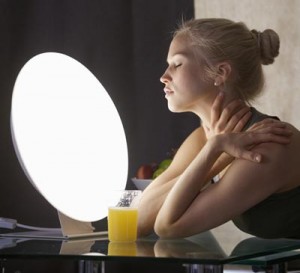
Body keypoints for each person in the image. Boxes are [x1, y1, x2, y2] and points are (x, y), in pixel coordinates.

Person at [137, 18, 300, 239]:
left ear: (220, 72)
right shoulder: (207, 139)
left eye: (177, 64)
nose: (164, 77)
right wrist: (217, 155)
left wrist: (215, 149)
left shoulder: (268, 144)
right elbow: (138, 219)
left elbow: (168, 227)